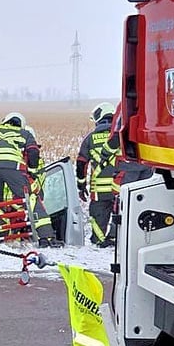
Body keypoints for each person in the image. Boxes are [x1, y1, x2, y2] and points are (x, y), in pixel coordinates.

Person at [0, 112, 57, 246]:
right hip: (14, 168)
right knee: (30, 200)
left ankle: (3, 240)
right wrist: (31, 171)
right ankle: (46, 237)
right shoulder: (24, 134)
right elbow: (33, 151)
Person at [77, 102, 122, 247]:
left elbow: (81, 163)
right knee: (121, 215)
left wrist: (81, 186)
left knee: (98, 218)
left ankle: (99, 240)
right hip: (120, 186)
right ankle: (115, 238)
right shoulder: (122, 135)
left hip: (99, 191)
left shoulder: (90, 139)